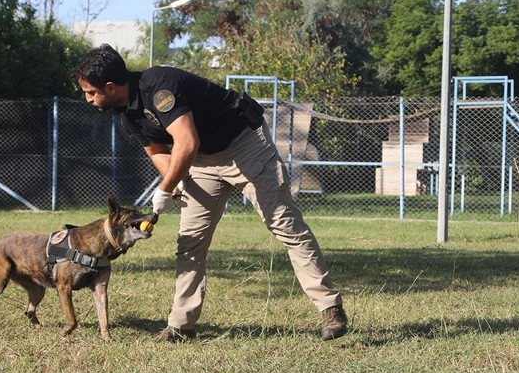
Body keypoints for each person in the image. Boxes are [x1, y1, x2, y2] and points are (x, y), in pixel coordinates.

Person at [73, 44, 347, 341]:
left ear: (110, 87)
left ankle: (330, 307)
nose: (87, 99)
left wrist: (163, 190)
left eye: (90, 92)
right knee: (190, 243)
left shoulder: (160, 86)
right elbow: (156, 150)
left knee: (286, 226)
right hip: (202, 162)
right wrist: (174, 181)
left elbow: (186, 142)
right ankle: (181, 326)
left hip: (243, 145)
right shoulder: (125, 113)